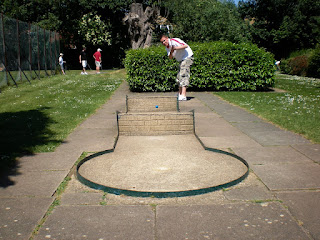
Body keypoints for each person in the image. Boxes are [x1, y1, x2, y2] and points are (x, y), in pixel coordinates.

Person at [160, 34, 193, 101]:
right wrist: (171, 51)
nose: (163, 43)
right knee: (179, 77)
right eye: (162, 42)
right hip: (181, 60)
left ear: (167, 38)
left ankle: (183, 95)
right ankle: (180, 94)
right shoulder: (167, 47)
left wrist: (175, 48)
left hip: (187, 57)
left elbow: (185, 46)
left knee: (184, 75)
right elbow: (170, 57)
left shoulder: (175, 40)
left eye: (164, 41)